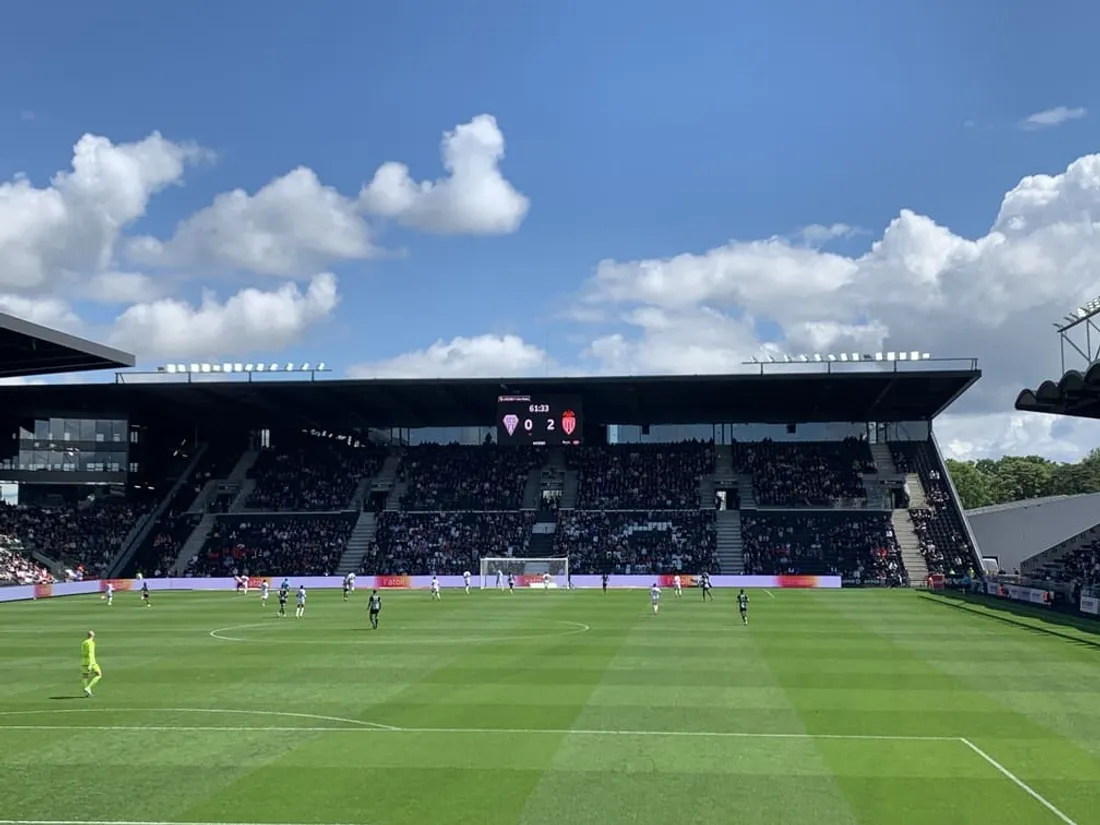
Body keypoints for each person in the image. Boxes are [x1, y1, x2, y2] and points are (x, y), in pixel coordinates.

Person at [81, 630, 102, 698]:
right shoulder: (91, 643)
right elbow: (90, 653)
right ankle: (88, 687)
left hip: (83, 661)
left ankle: (87, 693)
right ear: (93, 636)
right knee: (99, 674)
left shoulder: (84, 642)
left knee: (85, 676)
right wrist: (90, 664)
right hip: (91, 662)